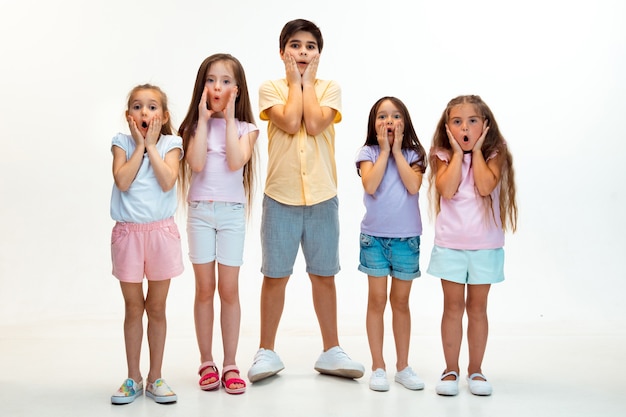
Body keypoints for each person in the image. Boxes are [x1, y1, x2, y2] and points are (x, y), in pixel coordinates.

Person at [247, 18, 364, 383]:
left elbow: (314, 124)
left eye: (310, 46)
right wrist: (296, 83)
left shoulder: (329, 88)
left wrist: (308, 83)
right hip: (279, 197)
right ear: (282, 52)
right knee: (275, 276)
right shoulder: (270, 88)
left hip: (322, 198)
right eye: (295, 45)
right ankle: (266, 350)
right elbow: (292, 119)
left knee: (324, 275)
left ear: (319, 53)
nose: (303, 52)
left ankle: (331, 349)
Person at [427, 95, 517, 396]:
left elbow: (485, 185)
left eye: (472, 121)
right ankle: (450, 368)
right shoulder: (441, 155)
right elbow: (448, 189)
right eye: (457, 121)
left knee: (478, 309)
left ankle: (475, 370)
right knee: (452, 307)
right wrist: (456, 153)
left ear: (485, 126)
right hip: (450, 245)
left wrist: (477, 151)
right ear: (448, 127)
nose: (464, 127)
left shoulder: (495, 153)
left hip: (485, 246)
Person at [178, 54, 258, 395]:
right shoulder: (192, 128)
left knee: (229, 289)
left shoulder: (246, 129)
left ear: (237, 90)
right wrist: (201, 118)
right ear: (202, 86)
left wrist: (226, 120)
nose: (218, 87)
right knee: (204, 289)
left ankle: (230, 363)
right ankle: (206, 360)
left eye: (226, 81)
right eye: (212, 80)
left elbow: (236, 161)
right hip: (199, 212)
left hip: (230, 215)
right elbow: (195, 164)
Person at [109, 84, 183, 404]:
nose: (145, 112)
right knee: (133, 307)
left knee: (156, 307)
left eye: (152, 107)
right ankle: (133, 377)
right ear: (129, 116)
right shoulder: (121, 143)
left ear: (164, 116)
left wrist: (152, 146)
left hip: (161, 235)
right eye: (138, 107)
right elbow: (122, 181)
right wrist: (140, 145)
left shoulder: (171, 144)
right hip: (128, 235)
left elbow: (168, 180)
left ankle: (155, 377)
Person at [355, 97, 427, 392]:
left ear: (404, 123)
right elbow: (370, 185)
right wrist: (384, 151)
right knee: (376, 301)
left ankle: (403, 366)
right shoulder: (368, 152)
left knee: (400, 303)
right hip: (374, 239)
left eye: (395, 116)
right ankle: (378, 366)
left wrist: (397, 151)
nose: (389, 120)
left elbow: (413, 185)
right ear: (374, 124)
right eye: (382, 116)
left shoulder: (414, 155)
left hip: (406, 240)